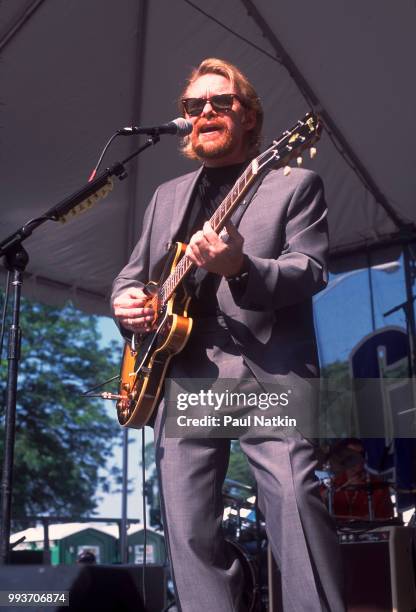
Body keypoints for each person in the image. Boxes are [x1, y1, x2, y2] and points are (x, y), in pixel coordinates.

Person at [111, 58, 345, 611]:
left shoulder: (294, 183)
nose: (206, 113)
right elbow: (132, 275)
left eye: (222, 102)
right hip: (183, 372)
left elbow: (309, 270)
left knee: (294, 505)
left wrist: (241, 266)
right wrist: (127, 303)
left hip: (269, 371)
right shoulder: (167, 196)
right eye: (194, 107)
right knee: (189, 529)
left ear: (249, 116)